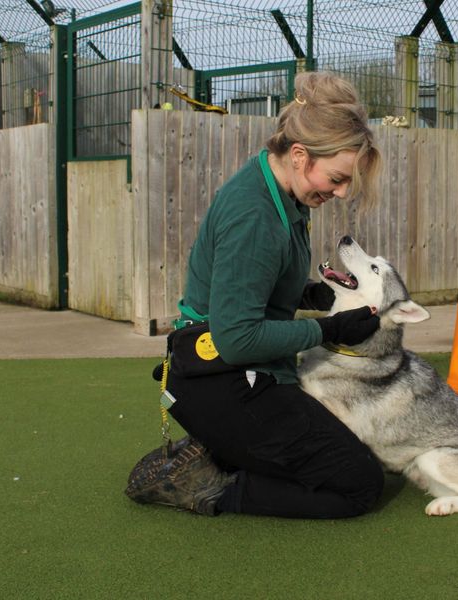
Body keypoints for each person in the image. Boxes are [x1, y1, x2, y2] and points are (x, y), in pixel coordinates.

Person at [125, 71, 385, 518]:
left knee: (340, 457)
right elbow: (237, 338)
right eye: (338, 178)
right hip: (220, 377)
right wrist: (330, 329)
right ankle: (206, 484)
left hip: (235, 372)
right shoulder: (256, 217)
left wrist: (315, 295)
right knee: (359, 484)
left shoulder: (281, 189)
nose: (341, 193)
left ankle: (228, 448)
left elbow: (251, 286)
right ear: (300, 155)